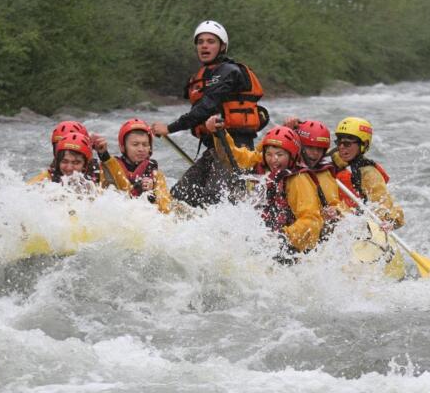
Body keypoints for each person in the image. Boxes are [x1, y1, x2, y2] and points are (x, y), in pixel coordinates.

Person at [151, 20, 267, 208]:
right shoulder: (204, 75)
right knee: (180, 196)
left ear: (222, 46)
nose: (204, 45)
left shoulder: (231, 71)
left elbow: (206, 106)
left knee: (214, 199)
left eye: (211, 41)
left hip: (236, 149)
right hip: (215, 149)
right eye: (200, 41)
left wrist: (169, 128)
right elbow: (201, 110)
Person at [210, 123, 324, 263]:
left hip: (289, 248)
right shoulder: (261, 163)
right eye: (269, 154)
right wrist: (219, 134)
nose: (273, 159)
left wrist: (283, 237)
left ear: (292, 156)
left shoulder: (298, 179)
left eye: (279, 155)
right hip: (264, 238)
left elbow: (311, 220)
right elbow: (235, 157)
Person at [331, 117, 404, 230]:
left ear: (363, 144)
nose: (341, 147)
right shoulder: (331, 158)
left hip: (355, 223)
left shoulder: (369, 174)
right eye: (339, 142)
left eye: (347, 144)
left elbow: (383, 205)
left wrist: (389, 221)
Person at [91, 118, 171, 213]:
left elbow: (166, 210)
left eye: (145, 144)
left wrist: (151, 195)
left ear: (150, 148)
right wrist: (103, 155)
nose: (141, 149)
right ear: (123, 147)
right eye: (135, 144)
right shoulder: (107, 168)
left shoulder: (156, 175)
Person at [284, 118, 350, 230]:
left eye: (319, 149)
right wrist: (285, 131)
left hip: (313, 232)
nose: (315, 153)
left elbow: (338, 205)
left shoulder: (325, 172)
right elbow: (257, 157)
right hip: (287, 230)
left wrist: (337, 211)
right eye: (310, 147)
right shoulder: (280, 164)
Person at [27, 121, 101, 184]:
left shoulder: (97, 172)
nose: (69, 168)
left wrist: (104, 156)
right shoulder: (47, 179)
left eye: (76, 162)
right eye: (64, 161)